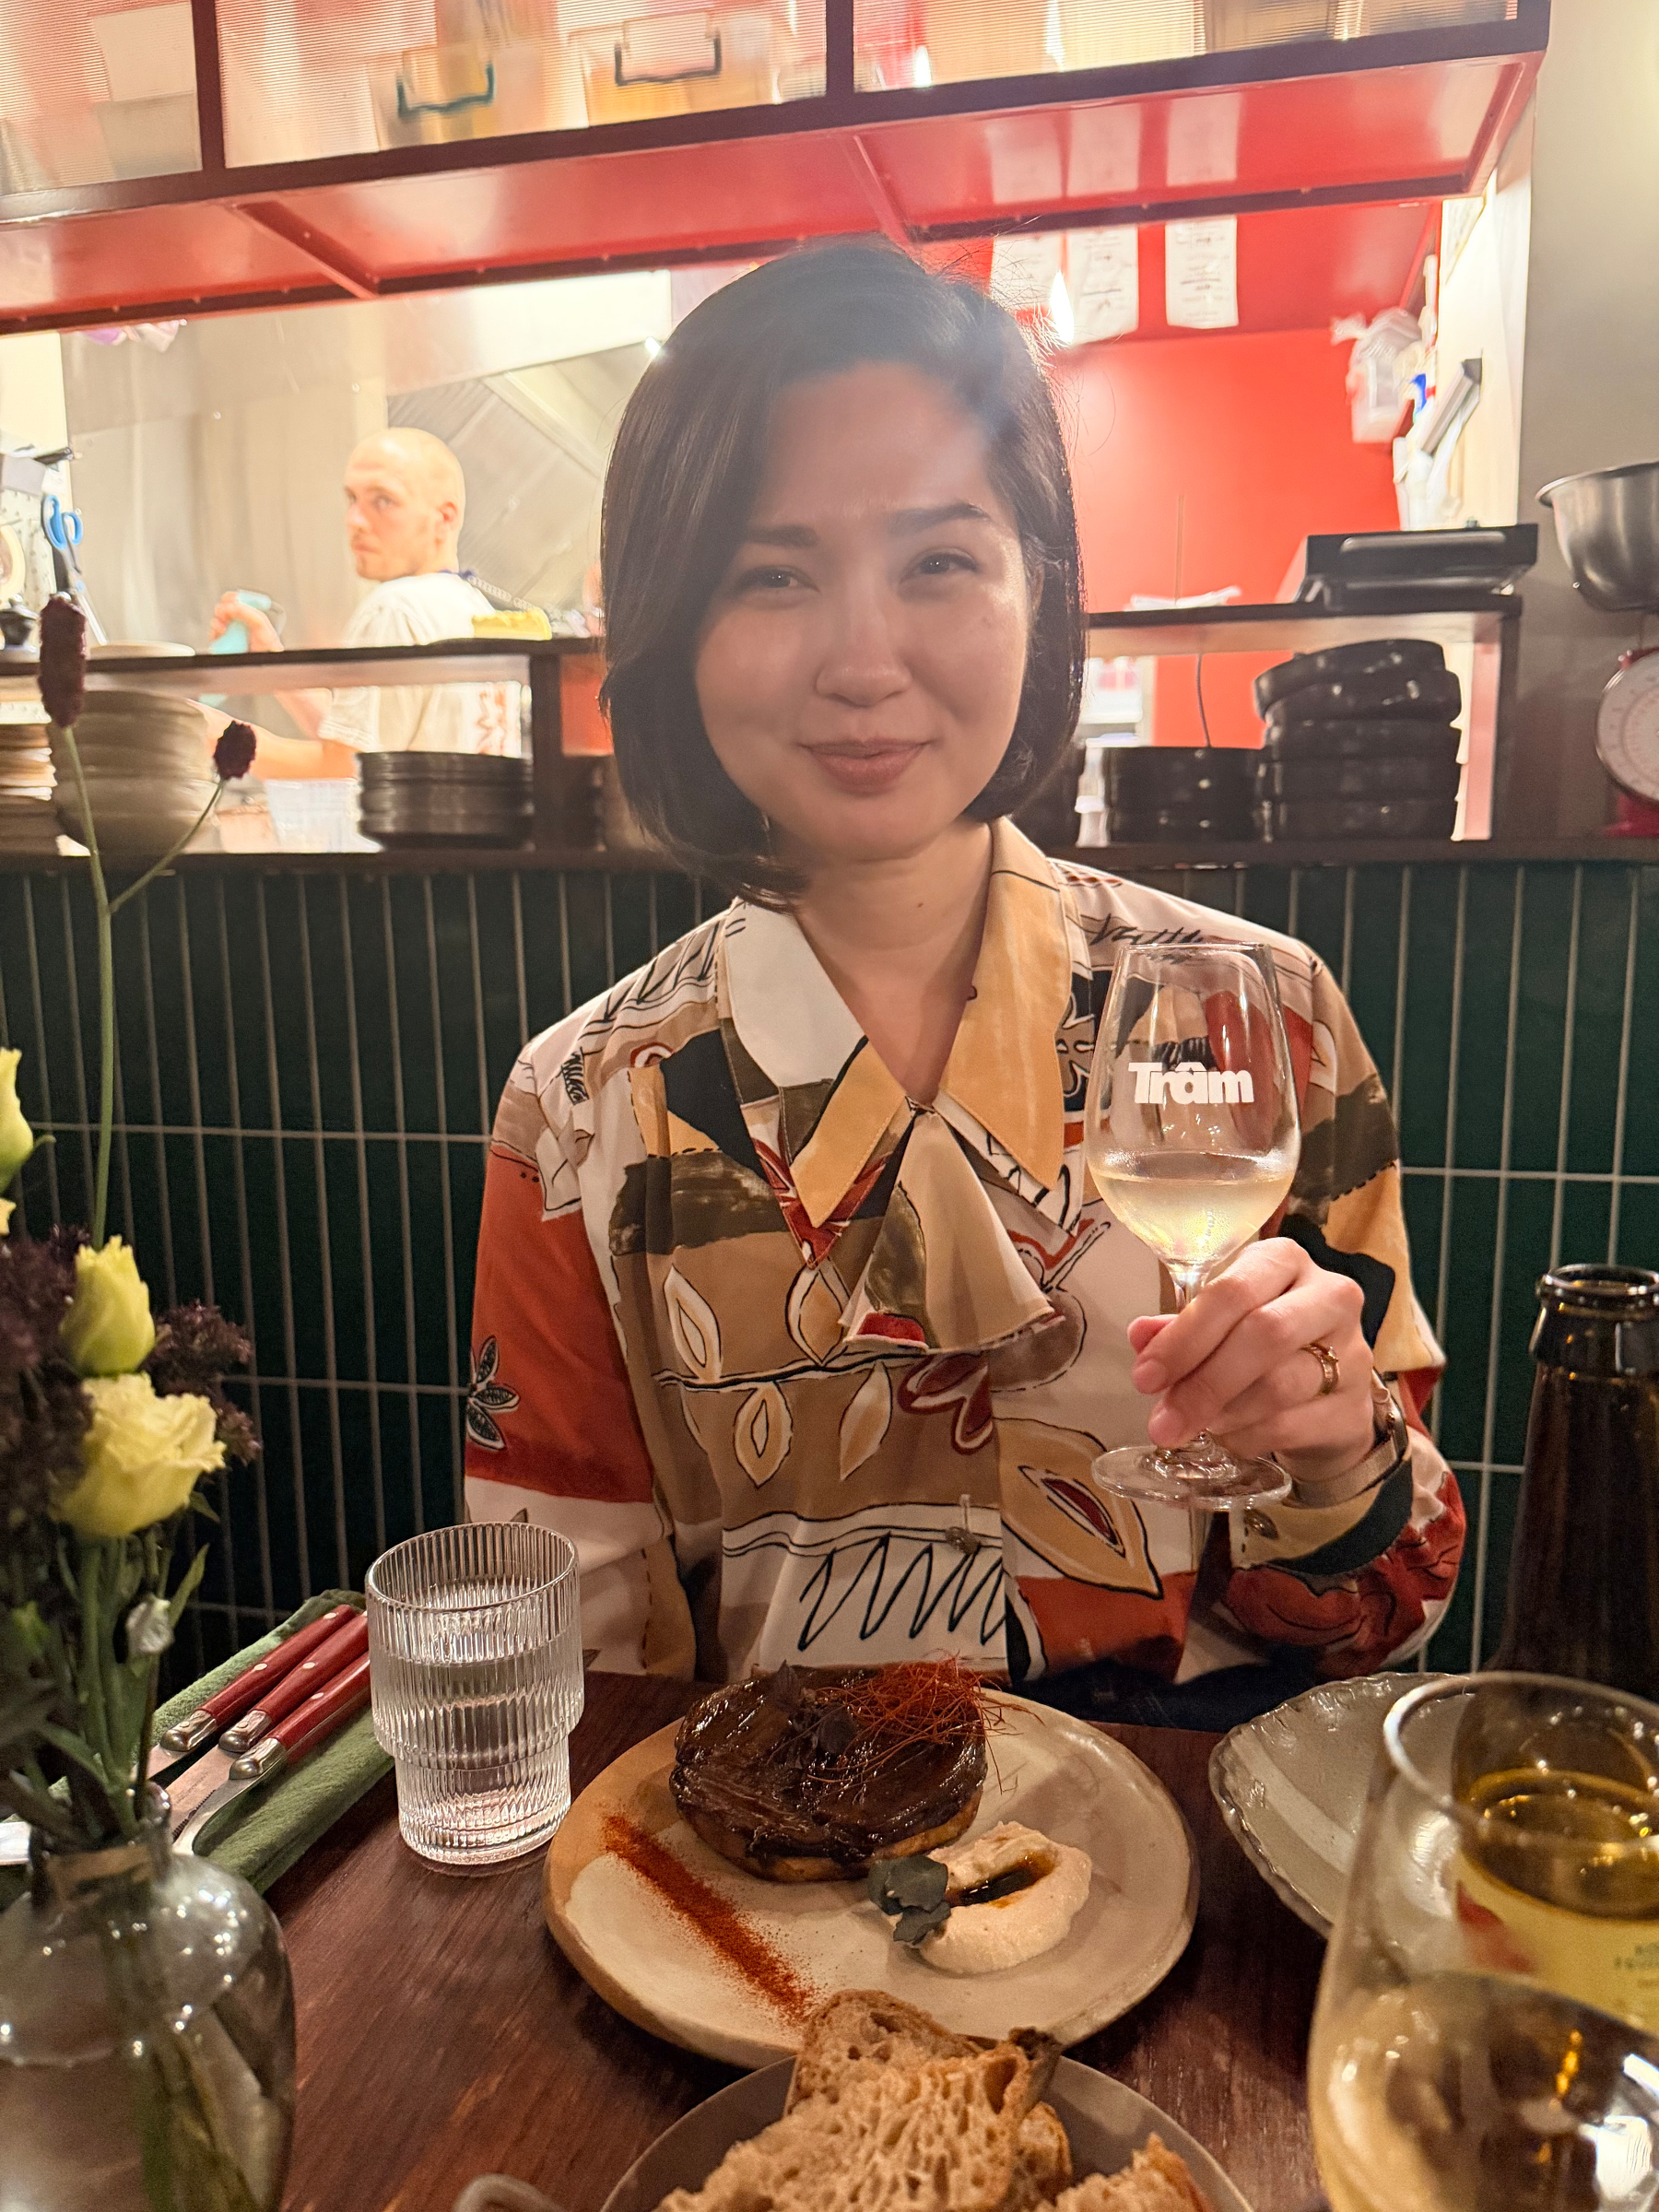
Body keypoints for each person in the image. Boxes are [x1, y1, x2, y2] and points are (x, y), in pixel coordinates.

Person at [463, 245, 1464, 1720]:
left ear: (1038, 587)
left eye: (940, 560)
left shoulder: (1265, 1018)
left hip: (1187, 1864)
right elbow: (572, 1673)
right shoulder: (579, 1110)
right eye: (773, 575)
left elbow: (1386, 1622)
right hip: (768, 1890)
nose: (865, 660)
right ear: (676, 629)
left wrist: (1332, 1459)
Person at [210, 427, 513, 776]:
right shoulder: (472, 609)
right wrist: (274, 667)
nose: (354, 520)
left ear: (444, 518)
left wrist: (208, 734)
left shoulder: (394, 608)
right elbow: (368, 741)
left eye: (383, 501)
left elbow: (348, 769)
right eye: (352, 499)